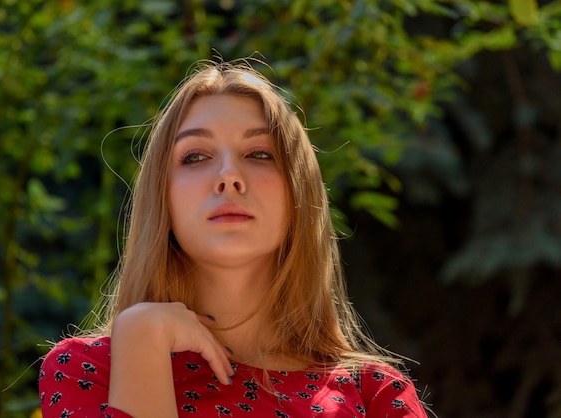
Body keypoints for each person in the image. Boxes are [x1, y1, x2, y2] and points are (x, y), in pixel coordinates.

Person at [38, 60, 428, 418]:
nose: (228, 176)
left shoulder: (376, 395)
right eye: (194, 156)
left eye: (259, 154)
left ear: (299, 194)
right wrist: (142, 336)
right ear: (163, 200)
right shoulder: (90, 370)